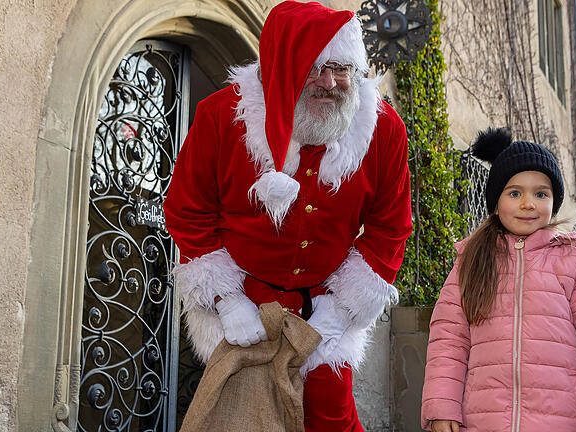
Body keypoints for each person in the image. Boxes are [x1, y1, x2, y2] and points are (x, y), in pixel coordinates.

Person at [162, 1, 413, 430]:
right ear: (282, 67)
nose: (331, 83)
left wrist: (341, 310)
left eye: (342, 68)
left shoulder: (383, 130)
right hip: (244, 300)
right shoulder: (221, 117)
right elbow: (188, 210)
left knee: (330, 419)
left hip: (325, 308)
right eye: (315, 68)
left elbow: (390, 226)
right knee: (240, 419)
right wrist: (226, 300)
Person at [420, 127, 576, 432]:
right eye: (515, 192)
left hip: (560, 422)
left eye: (541, 193)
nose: (528, 203)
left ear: (554, 202)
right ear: (496, 203)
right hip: (484, 420)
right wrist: (442, 406)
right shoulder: (471, 261)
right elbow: (448, 339)